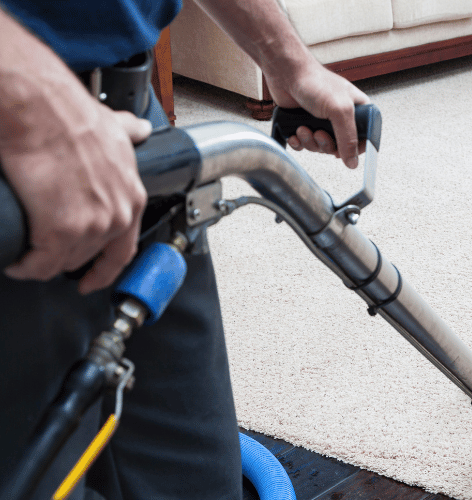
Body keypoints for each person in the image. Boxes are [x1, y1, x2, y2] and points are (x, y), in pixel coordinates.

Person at [0, 1, 369, 498]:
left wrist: (288, 63)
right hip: (21, 145)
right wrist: (25, 95)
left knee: (199, 477)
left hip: (128, 113)